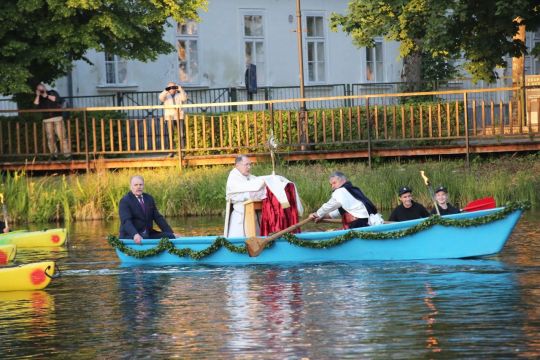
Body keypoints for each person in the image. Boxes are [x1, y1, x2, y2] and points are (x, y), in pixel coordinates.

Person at [119, 175, 177, 244]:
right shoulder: (125, 201)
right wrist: (135, 234)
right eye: (136, 185)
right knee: (144, 237)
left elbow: (158, 218)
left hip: (148, 233)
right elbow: (126, 221)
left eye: (140, 185)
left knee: (170, 236)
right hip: (130, 235)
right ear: (131, 187)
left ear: (143, 186)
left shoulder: (149, 198)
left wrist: (171, 233)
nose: (138, 187)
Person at [309, 171, 379, 229]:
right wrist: (322, 216)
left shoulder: (340, 191)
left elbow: (330, 205)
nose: (332, 186)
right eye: (331, 184)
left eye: (334, 183)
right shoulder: (353, 189)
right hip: (367, 222)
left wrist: (317, 214)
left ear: (342, 180)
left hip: (358, 223)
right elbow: (339, 211)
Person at [224, 155, 266, 237]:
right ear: (237, 165)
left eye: (250, 164)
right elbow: (234, 196)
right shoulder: (233, 178)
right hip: (240, 216)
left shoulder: (251, 177)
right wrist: (250, 194)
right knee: (239, 242)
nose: (249, 167)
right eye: (246, 164)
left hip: (253, 215)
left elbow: (260, 185)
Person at [33, 83, 71, 160]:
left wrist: (46, 95)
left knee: (62, 137)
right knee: (50, 138)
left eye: (42, 88)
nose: (41, 90)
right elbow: (35, 105)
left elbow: (57, 99)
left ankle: (67, 155)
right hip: (47, 119)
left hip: (57, 118)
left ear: (44, 87)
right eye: (39, 89)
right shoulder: (39, 97)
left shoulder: (52, 92)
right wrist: (37, 95)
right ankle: (54, 155)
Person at [159, 81, 188, 150]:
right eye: (170, 87)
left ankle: (182, 150)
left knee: (181, 135)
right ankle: (171, 151)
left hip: (179, 116)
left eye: (173, 87)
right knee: (170, 135)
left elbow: (184, 98)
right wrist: (166, 90)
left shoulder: (179, 95)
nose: (172, 89)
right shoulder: (166, 95)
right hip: (169, 117)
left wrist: (181, 89)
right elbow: (160, 98)